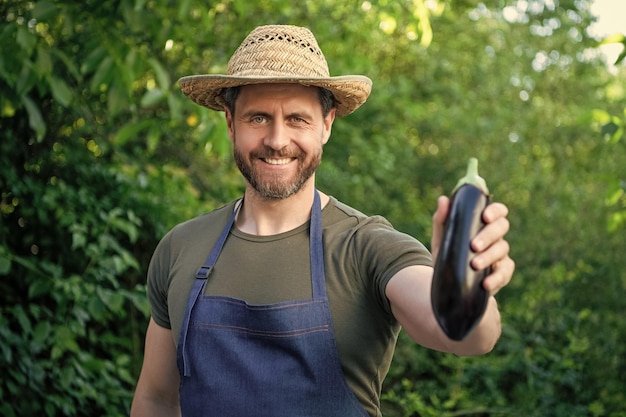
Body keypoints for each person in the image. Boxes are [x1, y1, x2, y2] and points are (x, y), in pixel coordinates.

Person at [130, 24, 515, 417]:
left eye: (297, 119)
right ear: (230, 122)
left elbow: (468, 337)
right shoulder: (181, 247)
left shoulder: (366, 247)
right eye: (258, 118)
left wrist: (469, 280)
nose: (278, 139)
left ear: (327, 124)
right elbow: (157, 399)